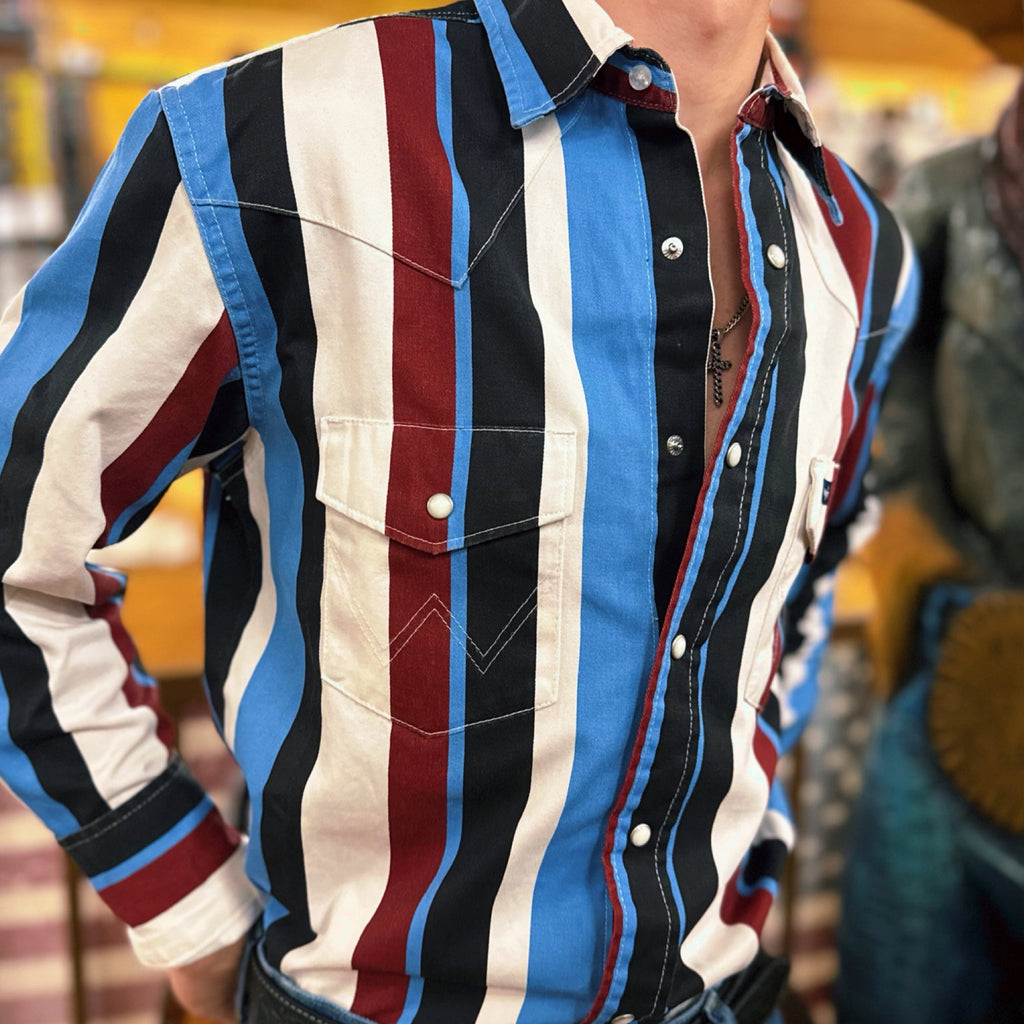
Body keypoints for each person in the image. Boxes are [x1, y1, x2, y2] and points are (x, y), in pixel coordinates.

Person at [0, 1, 917, 1022]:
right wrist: (188, 907)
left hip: (718, 993)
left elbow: (799, 592)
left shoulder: (862, 252)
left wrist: (753, 829)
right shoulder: (273, 142)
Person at [835, 76, 1024, 1024]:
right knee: (900, 966)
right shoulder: (954, 191)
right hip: (968, 635)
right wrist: (919, 525)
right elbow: (888, 360)